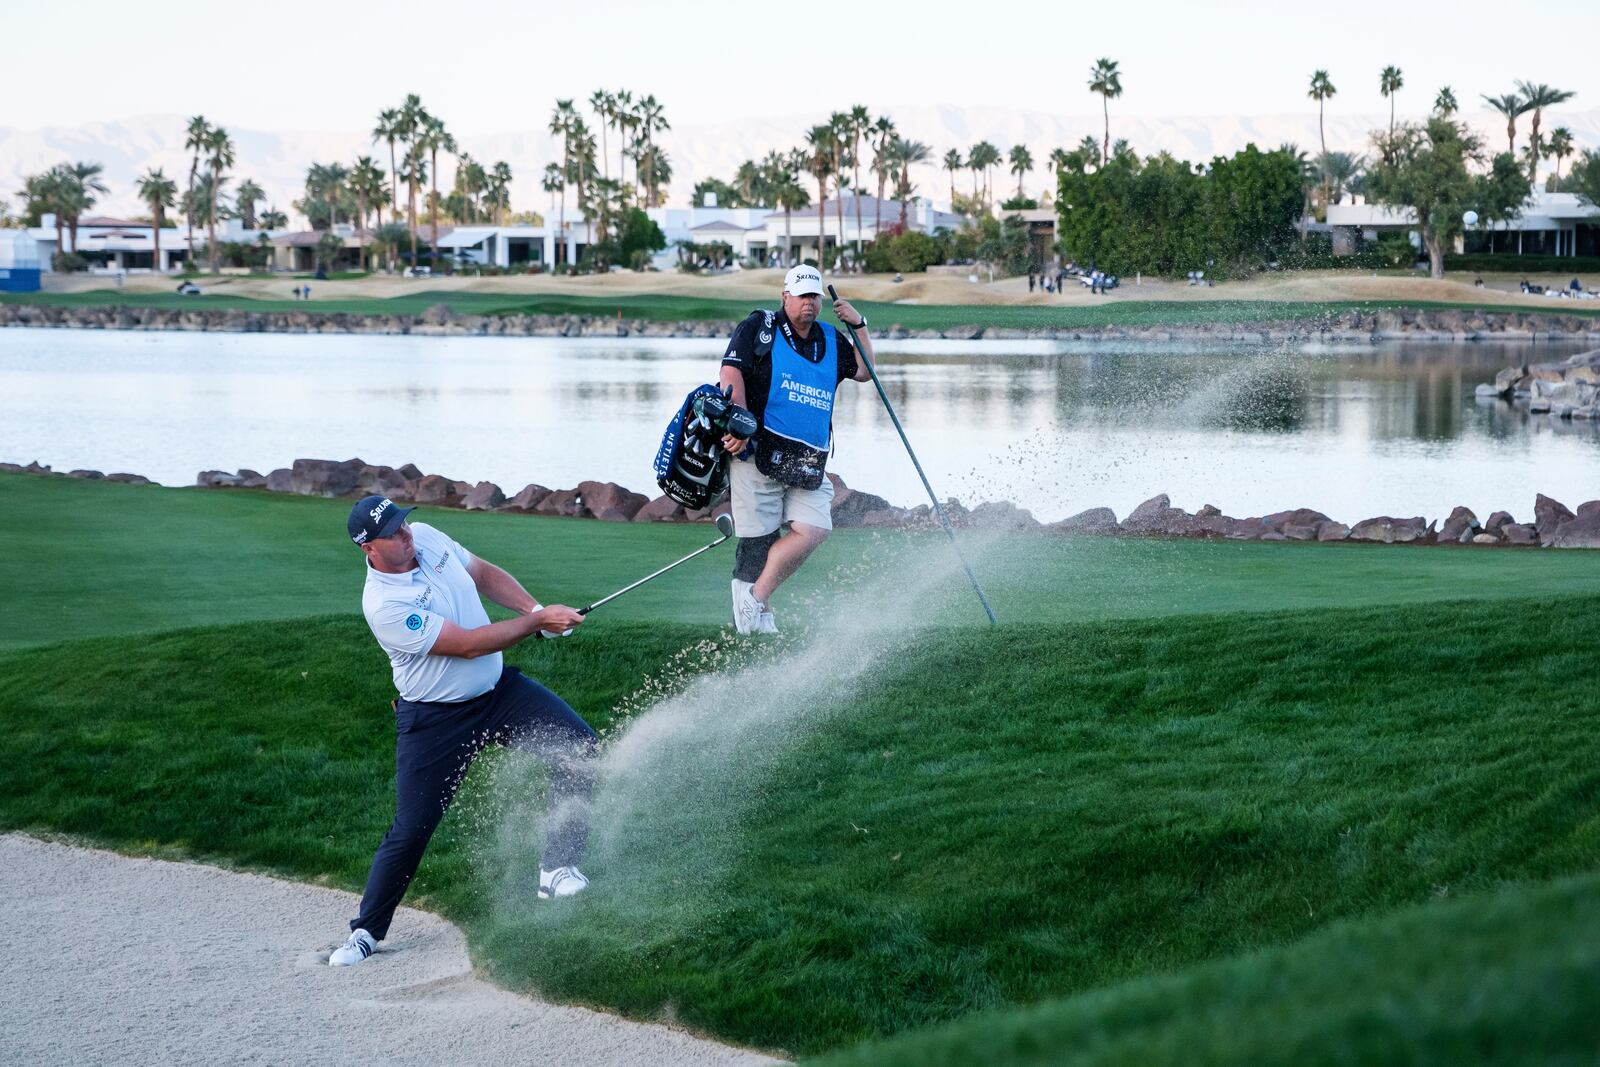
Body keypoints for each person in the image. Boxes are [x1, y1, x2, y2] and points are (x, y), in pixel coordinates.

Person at [328, 496, 598, 967]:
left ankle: (556, 868)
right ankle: (366, 932)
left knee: (580, 748)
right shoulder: (385, 606)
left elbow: (482, 572)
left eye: (403, 523)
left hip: (497, 694)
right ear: (368, 548)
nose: (406, 533)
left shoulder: (427, 538)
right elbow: (468, 646)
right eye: (392, 533)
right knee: (413, 828)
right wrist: (536, 621)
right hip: (435, 720)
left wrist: (533, 609)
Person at [718, 264, 874, 635]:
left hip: (808, 458)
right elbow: (730, 372)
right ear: (785, 296)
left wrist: (861, 325)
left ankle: (755, 597)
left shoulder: (832, 339)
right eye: (802, 295)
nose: (809, 303)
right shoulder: (760, 327)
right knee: (760, 539)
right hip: (758, 452)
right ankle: (761, 615)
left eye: (814, 296)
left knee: (816, 527)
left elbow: (866, 372)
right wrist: (739, 421)